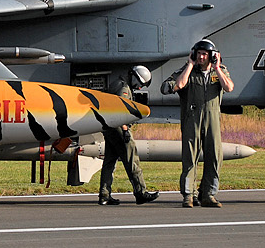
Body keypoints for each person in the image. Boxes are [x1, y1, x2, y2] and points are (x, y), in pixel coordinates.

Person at [161, 39, 234, 207]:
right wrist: (189, 65)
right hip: (191, 119)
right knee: (190, 157)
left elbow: (229, 87)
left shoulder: (220, 72)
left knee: (214, 157)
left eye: (205, 54)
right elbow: (176, 85)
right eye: (199, 53)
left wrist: (216, 67)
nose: (201, 57)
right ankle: (189, 195)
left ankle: (208, 194)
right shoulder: (188, 72)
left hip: (212, 120)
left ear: (212, 56)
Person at [97, 67, 159, 205]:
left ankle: (104, 195)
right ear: (135, 77)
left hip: (109, 127)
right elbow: (120, 108)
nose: (139, 87)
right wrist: (125, 130)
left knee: (110, 161)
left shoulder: (117, 83)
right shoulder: (123, 88)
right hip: (118, 127)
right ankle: (141, 192)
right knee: (132, 158)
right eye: (140, 83)